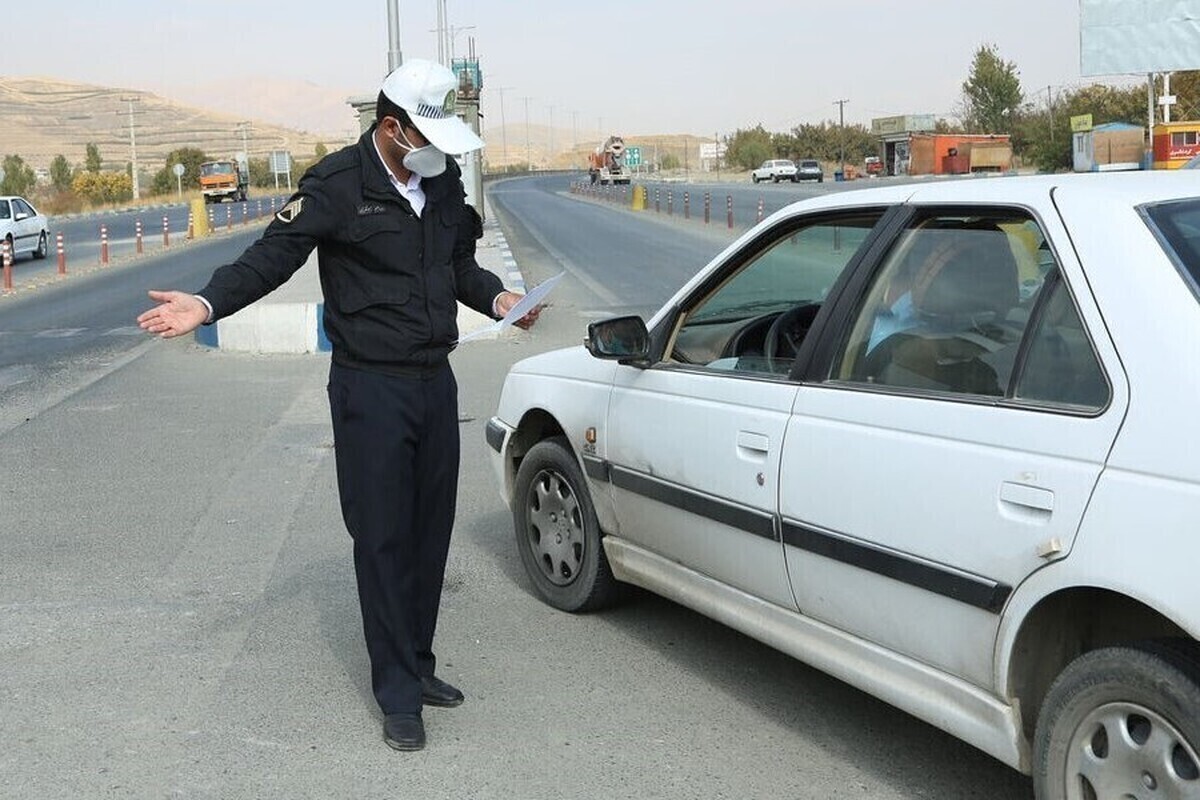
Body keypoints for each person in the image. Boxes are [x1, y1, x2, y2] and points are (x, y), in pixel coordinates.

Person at [136, 58, 539, 752]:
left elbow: (459, 267)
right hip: (370, 387)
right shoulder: (338, 186)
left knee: (427, 532)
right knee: (382, 537)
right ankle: (397, 695)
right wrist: (205, 303)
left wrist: (499, 297)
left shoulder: (440, 188)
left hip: (434, 383)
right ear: (391, 128)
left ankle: (418, 662)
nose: (437, 152)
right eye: (428, 136)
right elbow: (272, 256)